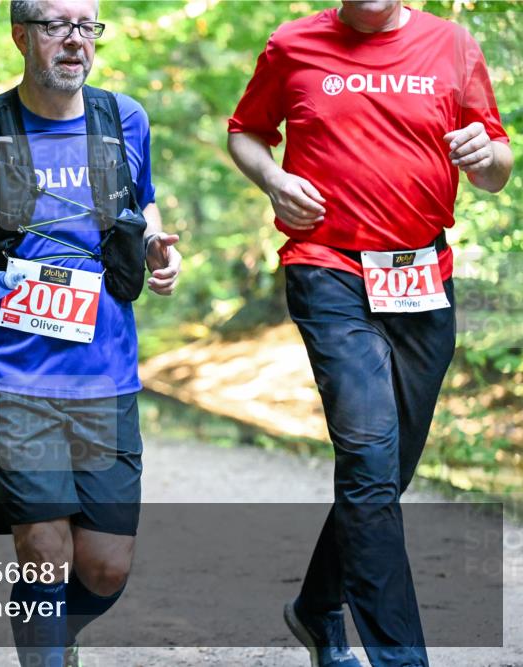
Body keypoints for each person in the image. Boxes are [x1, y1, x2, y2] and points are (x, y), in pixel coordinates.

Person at [227, 2, 512, 666]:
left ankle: (316, 606)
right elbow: (246, 131)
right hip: (327, 269)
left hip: (421, 277)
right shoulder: (292, 45)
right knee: (367, 455)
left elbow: (496, 167)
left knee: (382, 473)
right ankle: (400, 657)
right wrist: (273, 179)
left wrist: (485, 156)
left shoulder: (453, 45)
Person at [0, 1, 181, 664]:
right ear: (21, 35)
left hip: (104, 372)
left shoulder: (125, 120)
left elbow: (140, 206)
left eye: (87, 26)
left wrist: (158, 248)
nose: (75, 41)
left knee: (105, 567)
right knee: (43, 547)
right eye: (58, 25)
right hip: (10, 371)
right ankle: (46, 649)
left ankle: (53, 630)